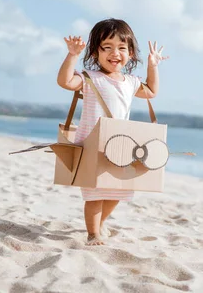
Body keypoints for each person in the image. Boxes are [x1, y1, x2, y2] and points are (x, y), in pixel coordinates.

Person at [56, 18, 168, 245]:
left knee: (117, 193)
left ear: (130, 53)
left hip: (121, 146)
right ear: (95, 52)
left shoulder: (131, 82)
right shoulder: (90, 78)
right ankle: (93, 233)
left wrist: (152, 65)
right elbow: (65, 81)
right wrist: (72, 55)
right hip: (92, 145)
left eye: (121, 48)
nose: (114, 53)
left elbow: (152, 92)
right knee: (94, 195)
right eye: (107, 47)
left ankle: (100, 224)